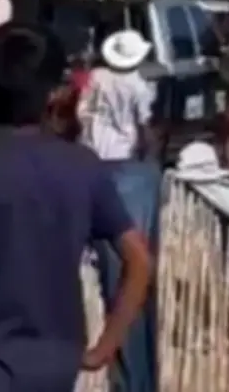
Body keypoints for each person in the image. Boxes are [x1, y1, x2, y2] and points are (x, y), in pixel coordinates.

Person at [0, 23, 151, 392]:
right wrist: (103, 348)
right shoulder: (84, 167)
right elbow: (139, 260)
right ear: (55, 93)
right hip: (58, 368)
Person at [77, 29, 161, 392]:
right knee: (128, 264)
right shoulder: (139, 86)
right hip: (124, 166)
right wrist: (152, 160)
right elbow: (143, 131)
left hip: (91, 161)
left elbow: (82, 117)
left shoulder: (95, 78)